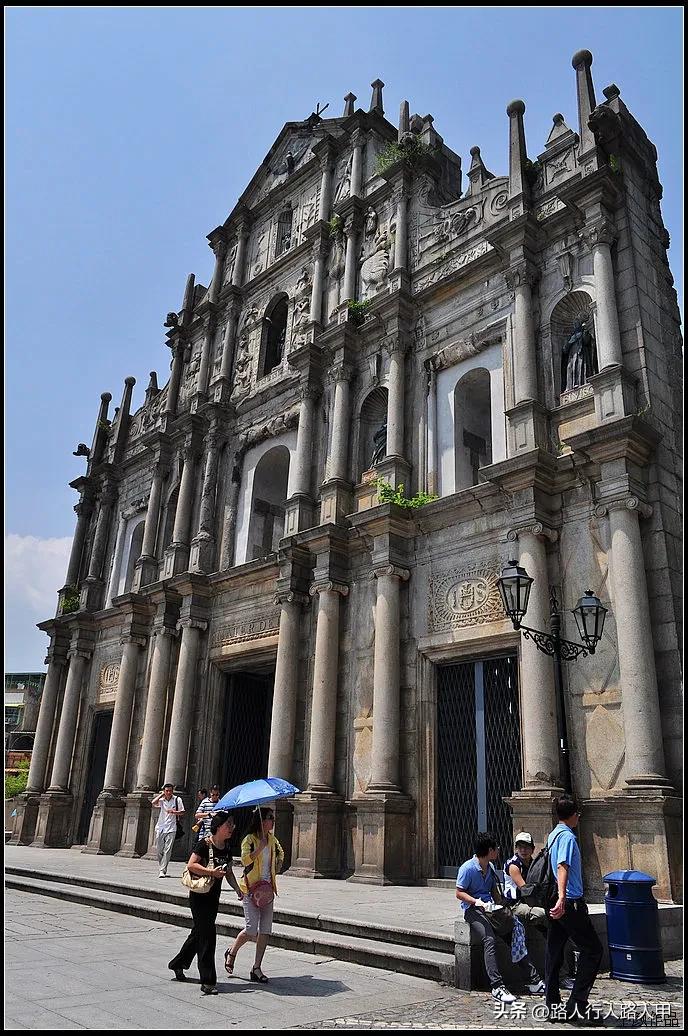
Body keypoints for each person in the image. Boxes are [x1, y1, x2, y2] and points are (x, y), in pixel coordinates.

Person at [456, 832, 545, 1005]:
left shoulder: (489, 868)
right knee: (489, 938)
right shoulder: (467, 868)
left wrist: (502, 908)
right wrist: (477, 902)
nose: (498, 850)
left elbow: (495, 894)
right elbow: (459, 893)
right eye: (496, 848)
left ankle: (533, 980)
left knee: (515, 934)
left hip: (491, 909)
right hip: (473, 910)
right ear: (489, 850)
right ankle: (497, 986)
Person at [168, 810, 243, 995]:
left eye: (232, 825)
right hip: (199, 896)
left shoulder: (226, 847)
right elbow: (191, 865)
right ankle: (208, 981)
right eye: (228, 825)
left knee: (199, 933)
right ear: (218, 827)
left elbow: (229, 872)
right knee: (208, 936)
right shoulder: (204, 844)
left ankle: (178, 963)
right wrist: (211, 873)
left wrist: (237, 889)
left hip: (213, 896)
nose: (231, 828)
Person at [545, 797, 603, 1026]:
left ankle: (552, 1006)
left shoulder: (552, 835)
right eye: (578, 813)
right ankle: (576, 1005)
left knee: (554, 952)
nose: (579, 817)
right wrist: (562, 898)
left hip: (556, 901)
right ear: (572, 815)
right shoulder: (567, 836)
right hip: (569, 902)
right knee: (593, 950)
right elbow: (562, 866)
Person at [505, 831, 577, 991]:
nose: (523, 850)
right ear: (516, 848)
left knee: (557, 930)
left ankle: (563, 974)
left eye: (526, 847)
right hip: (517, 905)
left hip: (534, 904)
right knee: (547, 916)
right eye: (520, 847)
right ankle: (562, 975)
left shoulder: (535, 862)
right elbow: (526, 890)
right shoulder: (513, 865)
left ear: (532, 848)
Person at [223, 806, 285, 983]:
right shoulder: (249, 840)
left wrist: (278, 862)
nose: (273, 821)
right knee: (251, 929)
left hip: (267, 890)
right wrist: (259, 848)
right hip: (250, 889)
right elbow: (244, 860)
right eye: (270, 818)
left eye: (273, 817)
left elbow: (281, 852)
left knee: (265, 931)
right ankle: (232, 951)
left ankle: (256, 968)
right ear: (261, 821)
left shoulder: (272, 840)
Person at [151, 783, 184, 878]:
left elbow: (182, 812)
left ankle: (163, 870)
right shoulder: (162, 800)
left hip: (172, 828)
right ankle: (162, 865)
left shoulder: (177, 800)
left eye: (170, 791)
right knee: (159, 850)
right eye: (167, 791)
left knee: (167, 850)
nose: (168, 793)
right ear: (164, 791)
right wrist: (161, 795)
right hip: (160, 827)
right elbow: (153, 802)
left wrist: (174, 812)